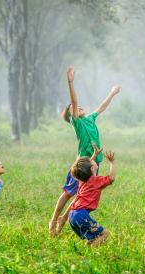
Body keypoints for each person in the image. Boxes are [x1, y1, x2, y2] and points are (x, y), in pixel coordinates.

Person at [49, 66, 120, 236]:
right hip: (82, 164)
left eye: (80, 107)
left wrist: (112, 93)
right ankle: (53, 221)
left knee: (83, 192)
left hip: (95, 162)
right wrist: (70, 82)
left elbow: (102, 107)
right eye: (74, 109)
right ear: (71, 115)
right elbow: (74, 101)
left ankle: (64, 219)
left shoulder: (89, 119)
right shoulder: (77, 123)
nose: (79, 107)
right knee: (68, 193)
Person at [69, 149, 116, 246]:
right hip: (81, 215)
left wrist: (94, 155)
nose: (93, 161)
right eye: (92, 161)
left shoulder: (82, 179)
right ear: (92, 169)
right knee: (104, 234)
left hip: (72, 215)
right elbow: (111, 178)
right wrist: (112, 163)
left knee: (94, 237)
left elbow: (84, 168)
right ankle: (90, 254)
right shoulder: (96, 181)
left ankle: (88, 249)